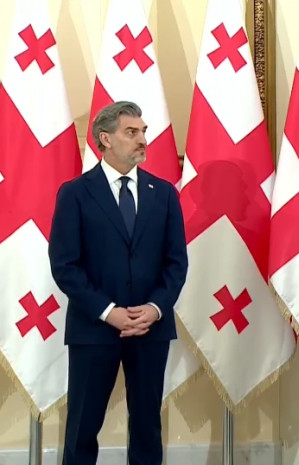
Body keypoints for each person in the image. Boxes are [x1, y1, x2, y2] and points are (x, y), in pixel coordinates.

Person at [49, 101, 187, 465]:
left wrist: (155, 308)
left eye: (143, 131)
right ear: (105, 139)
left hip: (150, 328)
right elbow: (65, 266)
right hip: (94, 328)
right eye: (132, 132)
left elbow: (176, 263)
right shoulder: (75, 193)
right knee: (82, 427)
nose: (142, 139)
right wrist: (108, 312)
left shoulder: (164, 193)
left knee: (147, 428)